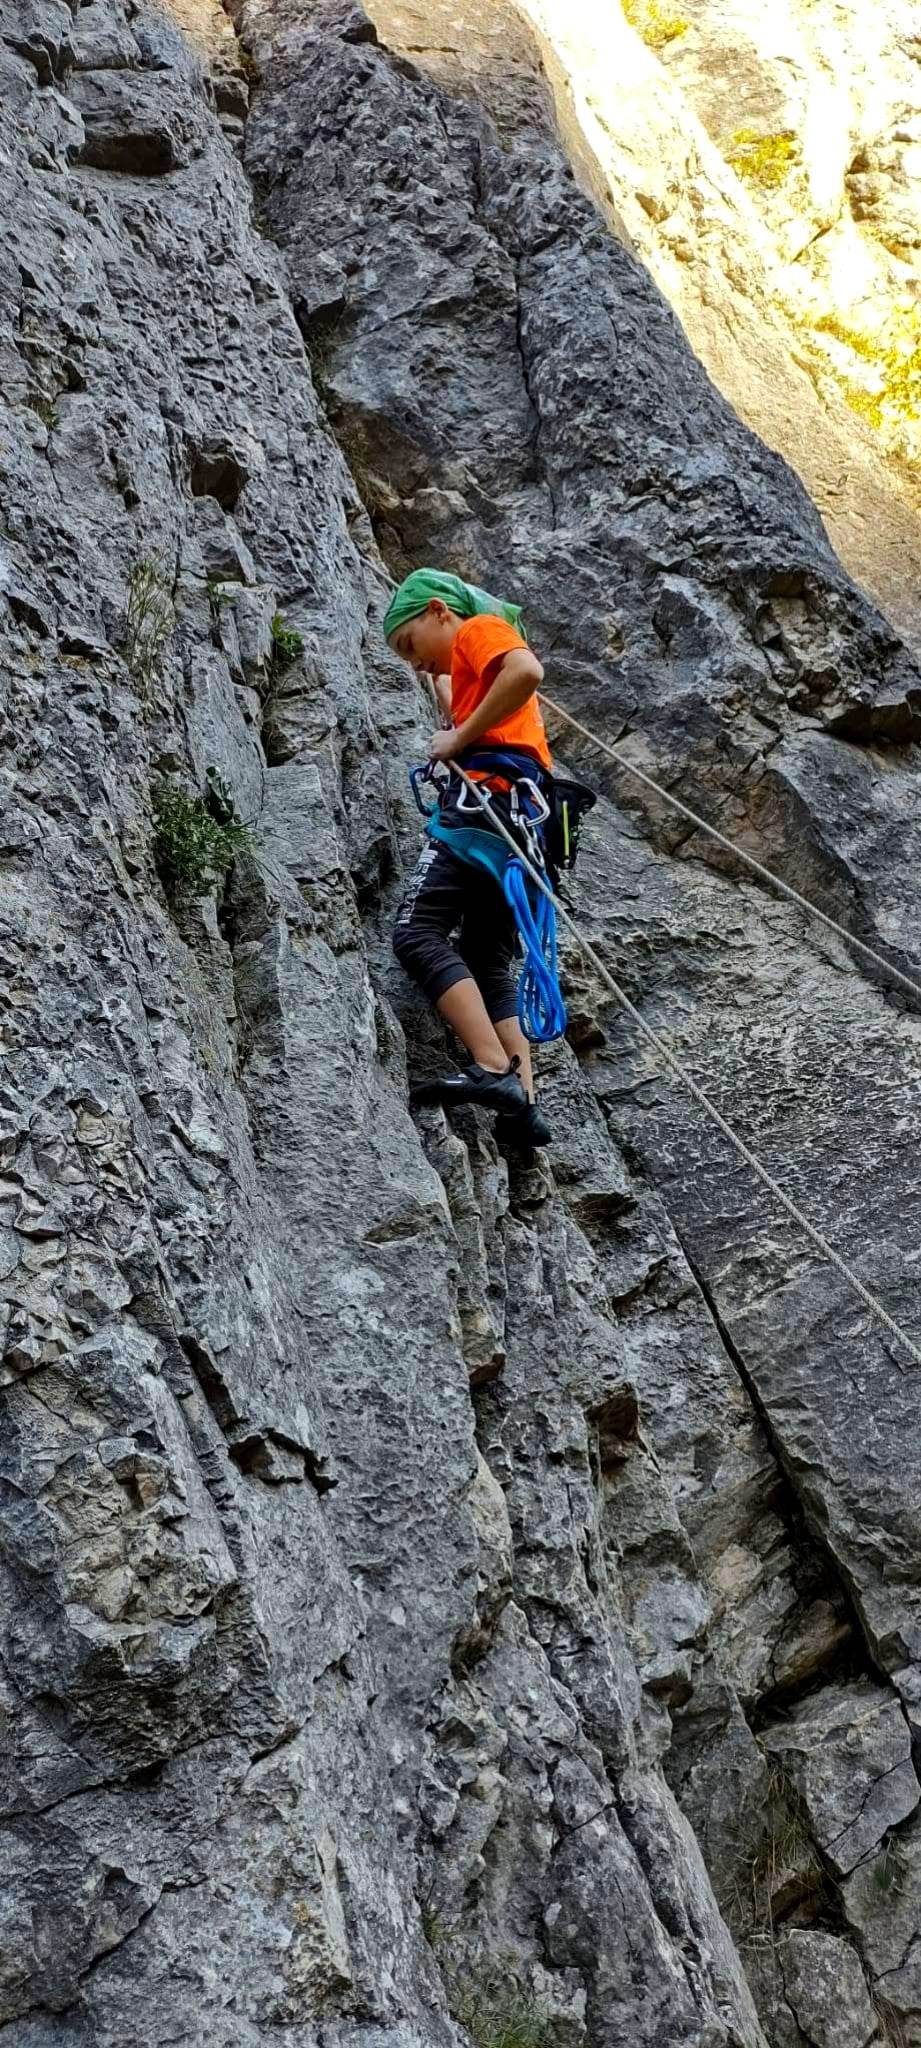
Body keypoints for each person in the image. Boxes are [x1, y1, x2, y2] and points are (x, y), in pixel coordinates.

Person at [385, 567, 554, 1149]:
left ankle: (491, 1065)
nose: (415, 663)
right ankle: (523, 1107)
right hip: (520, 829)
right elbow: (467, 700)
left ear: (439, 610)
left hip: (486, 811)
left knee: (416, 932)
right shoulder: (470, 668)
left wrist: (456, 741)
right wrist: (453, 713)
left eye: (410, 644)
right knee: (487, 959)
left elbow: (526, 672)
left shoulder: (479, 629)